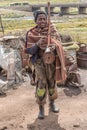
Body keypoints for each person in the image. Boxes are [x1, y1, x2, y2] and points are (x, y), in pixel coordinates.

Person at [24, 10, 66, 119]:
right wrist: (37, 44)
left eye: (44, 19)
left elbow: (59, 44)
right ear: (35, 21)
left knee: (52, 82)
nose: (42, 21)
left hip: (51, 61)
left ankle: (52, 103)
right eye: (40, 19)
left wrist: (54, 46)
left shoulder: (51, 30)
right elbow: (28, 51)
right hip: (39, 62)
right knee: (41, 84)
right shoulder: (31, 33)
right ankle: (41, 107)